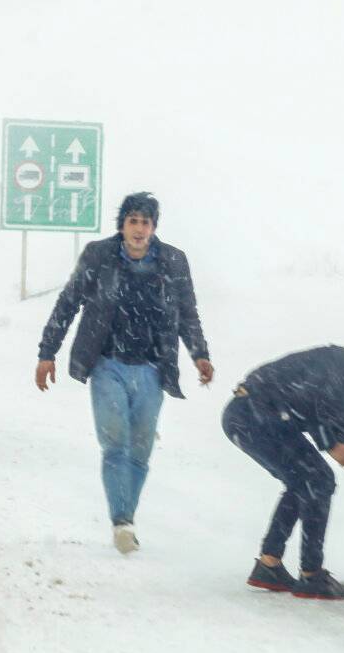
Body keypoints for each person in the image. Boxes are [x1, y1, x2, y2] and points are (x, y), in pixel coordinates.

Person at [34, 192, 213, 553]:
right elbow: (68, 303)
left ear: (154, 227)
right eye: (132, 221)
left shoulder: (173, 262)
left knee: (140, 451)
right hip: (106, 364)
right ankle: (121, 521)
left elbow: (188, 312)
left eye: (145, 222)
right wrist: (47, 353)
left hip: (152, 367)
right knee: (116, 441)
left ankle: (126, 517)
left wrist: (200, 355)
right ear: (122, 225)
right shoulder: (99, 256)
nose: (139, 229)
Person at [221, 336, 344, 599]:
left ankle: (269, 564)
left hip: (259, 419)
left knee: (307, 479)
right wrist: (329, 443)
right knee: (317, 479)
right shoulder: (342, 367)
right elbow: (311, 398)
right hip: (250, 416)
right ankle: (310, 575)